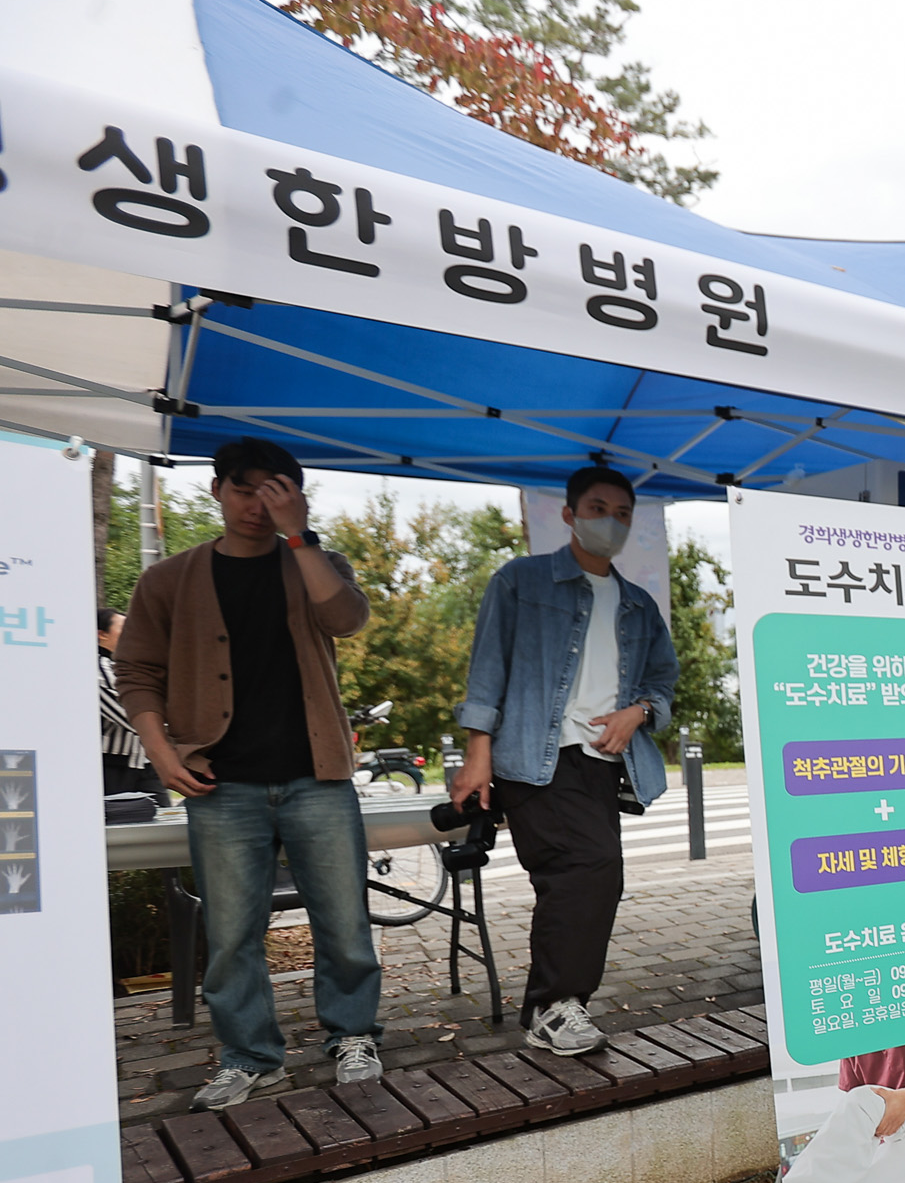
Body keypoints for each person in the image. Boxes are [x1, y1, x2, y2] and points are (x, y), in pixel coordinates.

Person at [116, 437, 384, 1109]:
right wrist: (162, 749)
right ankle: (250, 1055)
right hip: (220, 782)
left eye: (274, 491)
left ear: (294, 497)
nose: (256, 505)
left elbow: (346, 618)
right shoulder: (169, 579)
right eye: (243, 488)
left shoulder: (314, 562)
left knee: (344, 921)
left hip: (317, 774)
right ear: (216, 490)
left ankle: (353, 1033)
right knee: (233, 932)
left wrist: (302, 538)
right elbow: (138, 671)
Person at [450, 465, 679, 1057]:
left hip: (605, 765)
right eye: (599, 508)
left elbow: (662, 682)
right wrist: (478, 756)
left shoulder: (637, 605)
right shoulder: (522, 582)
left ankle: (554, 1005)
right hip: (533, 757)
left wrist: (638, 712)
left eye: (624, 514)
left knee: (582, 878)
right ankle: (554, 1007)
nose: (612, 522)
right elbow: (488, 670)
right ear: (570, 514)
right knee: (590, 868)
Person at [97, 609, 166, 804]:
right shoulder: (97, 667)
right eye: (125, 629)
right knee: (120, 825)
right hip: (113, 764)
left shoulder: (124, 666)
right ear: (101, 634)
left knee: (164, 822)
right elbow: (128, 714)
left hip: (144, 760)